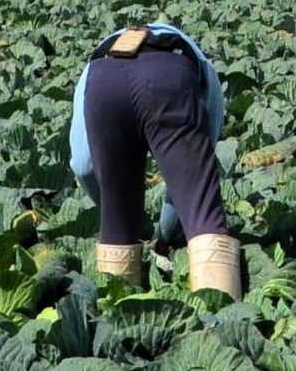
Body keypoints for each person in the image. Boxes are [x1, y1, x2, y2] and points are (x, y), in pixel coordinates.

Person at [69, 21, 242, 296]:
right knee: (202, 214)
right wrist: (168, 231)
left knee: (116, 230)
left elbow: (82, 164)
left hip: (104, 83)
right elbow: (194, 176)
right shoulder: (199, 61)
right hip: (171, 73)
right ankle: (221, 319)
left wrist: (120, 210)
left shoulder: (90, 70)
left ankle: (116, 323)